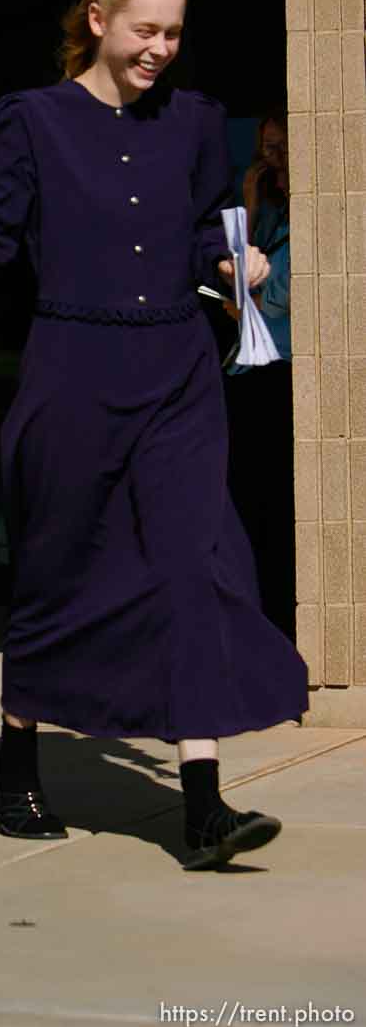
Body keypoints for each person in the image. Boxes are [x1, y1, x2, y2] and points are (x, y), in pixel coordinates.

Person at [0, 0, 308, 870]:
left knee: (192, 567)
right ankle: (16, 764)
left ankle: (205, 806)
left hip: (177, 371)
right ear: (97, 22)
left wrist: (232, 264)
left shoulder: (195, 124)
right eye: (144, 29)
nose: (159, 48)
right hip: (73, 366)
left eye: (172, 32)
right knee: (61, 567)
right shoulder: (29, 121)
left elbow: (196, 241)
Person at [224, 111, 294, 637]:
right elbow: (241, 266)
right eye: (266, 150)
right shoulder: (272, 215)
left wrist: (243, 296)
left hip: (283, 372)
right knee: (248, 504)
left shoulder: (312, 218)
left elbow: (273, 297)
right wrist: (250, 197)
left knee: (273, 506)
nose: (273, 161)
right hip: (251, 370)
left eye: (282, 149)